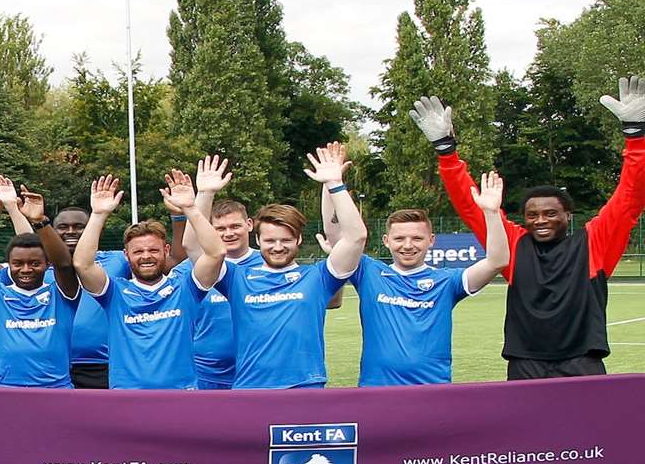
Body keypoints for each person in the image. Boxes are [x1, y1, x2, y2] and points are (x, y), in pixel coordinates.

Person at [419, 79, 645, 378]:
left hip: (582, 362)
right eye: (532, 214)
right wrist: (446, 151)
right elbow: (470, 205)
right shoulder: (514, 244)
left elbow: (630, 196)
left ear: (567, 215)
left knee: (586, 427)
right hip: (525, 364)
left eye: (550, 213)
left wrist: (636, 135)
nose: (540, 220)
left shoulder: (594, 243)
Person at [217, 146, 367, 389]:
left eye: (286, 240)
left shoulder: (318, 277)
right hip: (250, 389)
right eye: (270, 240)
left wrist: (334, 184)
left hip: (305, 388)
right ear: (258, 240)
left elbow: (356, 237)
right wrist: (200, 198)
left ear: (298, 239)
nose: (277, 247)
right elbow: (196, 250)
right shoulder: (236, 278)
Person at [339, 182, 510, 386]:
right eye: (400, 238)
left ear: (431, 240)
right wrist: (332, 185)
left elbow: (497, 261)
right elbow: (341, 238)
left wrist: (491, 213)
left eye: (417, 238)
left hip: (432, 390)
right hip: (376, 389)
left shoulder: (447, 281)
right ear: (386, 240)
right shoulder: (368, 272)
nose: (408, 245)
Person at [72, 170, 225, 390]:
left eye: (153, 250)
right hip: (127, 398)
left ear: (166, 250)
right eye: (138, 251)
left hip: (180, 396)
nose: (146, 256)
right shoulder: (114, 293)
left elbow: (215, 253)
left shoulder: (184, 288)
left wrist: (190, 208)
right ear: (126, 255)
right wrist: (98, 215)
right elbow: (82, 264)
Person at [0, 183, 80, 389]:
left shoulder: (61, 295)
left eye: (34, 263)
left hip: (56, 389)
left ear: (46, 264)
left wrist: (40, 221)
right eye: (18, 264)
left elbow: (65, 264)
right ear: (9, 265)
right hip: (7, 389)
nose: (26, 269)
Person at [182, 160, 260, 389]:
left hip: (256, 369)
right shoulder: (191, 268)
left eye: (235, 226)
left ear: (249, 224)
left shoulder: (269, 264)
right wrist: (205, 193)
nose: (228, 233)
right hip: (205, 372)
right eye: (220, 228)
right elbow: (191, 245)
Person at [50, 203, 131, 389]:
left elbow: (169, 260)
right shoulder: (36, 267)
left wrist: (178, 216)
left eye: (79, 227)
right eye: (63, 227)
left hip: (104, 365)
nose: (71, 232)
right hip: (54, 367)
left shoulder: (117, 260)